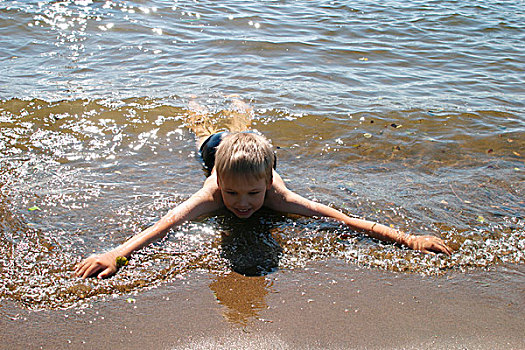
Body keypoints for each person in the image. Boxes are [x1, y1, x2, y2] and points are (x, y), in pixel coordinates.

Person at [75, 98, 452, 279]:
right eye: (232, 194)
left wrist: (408, 239)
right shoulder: (212, 193)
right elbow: (165, 224)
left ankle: (242, 114)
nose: (242, 204)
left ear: (268, 182)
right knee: (204, 134)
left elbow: (342, 219)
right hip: (217, 150)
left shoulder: (277, 195)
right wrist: (117, 254)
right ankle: (197, 112)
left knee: (246, 130)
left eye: (252, 195)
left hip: (255, 150)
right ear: (220, 184)